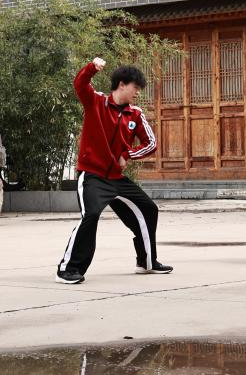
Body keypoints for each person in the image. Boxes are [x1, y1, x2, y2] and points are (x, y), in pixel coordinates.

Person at [56, 58, 172, 283]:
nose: (137, 93)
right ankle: (68, 269)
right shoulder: (96, 102)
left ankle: (146, 262)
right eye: (135, 88)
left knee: (149, 209)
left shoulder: (135, 114)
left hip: (117, 178)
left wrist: (127, 154)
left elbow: (151, 143)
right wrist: (91, 67)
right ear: (122, 84)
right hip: (92, 176)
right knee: (90, 216)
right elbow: (80, 84)